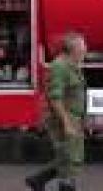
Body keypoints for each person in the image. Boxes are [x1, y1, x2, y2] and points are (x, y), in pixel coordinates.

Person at [25, 32, 87, 191]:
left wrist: (83, 120)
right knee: (68, 157)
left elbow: (77, 95)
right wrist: (66, 123)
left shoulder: (73, 65)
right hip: (61, 118)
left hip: (74, 117)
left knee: (72, 156)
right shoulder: (59, 67)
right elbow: (55, 98)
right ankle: (63, 187)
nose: (85, 49)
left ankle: (37, 179)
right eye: (82, 46)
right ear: (72, 49)